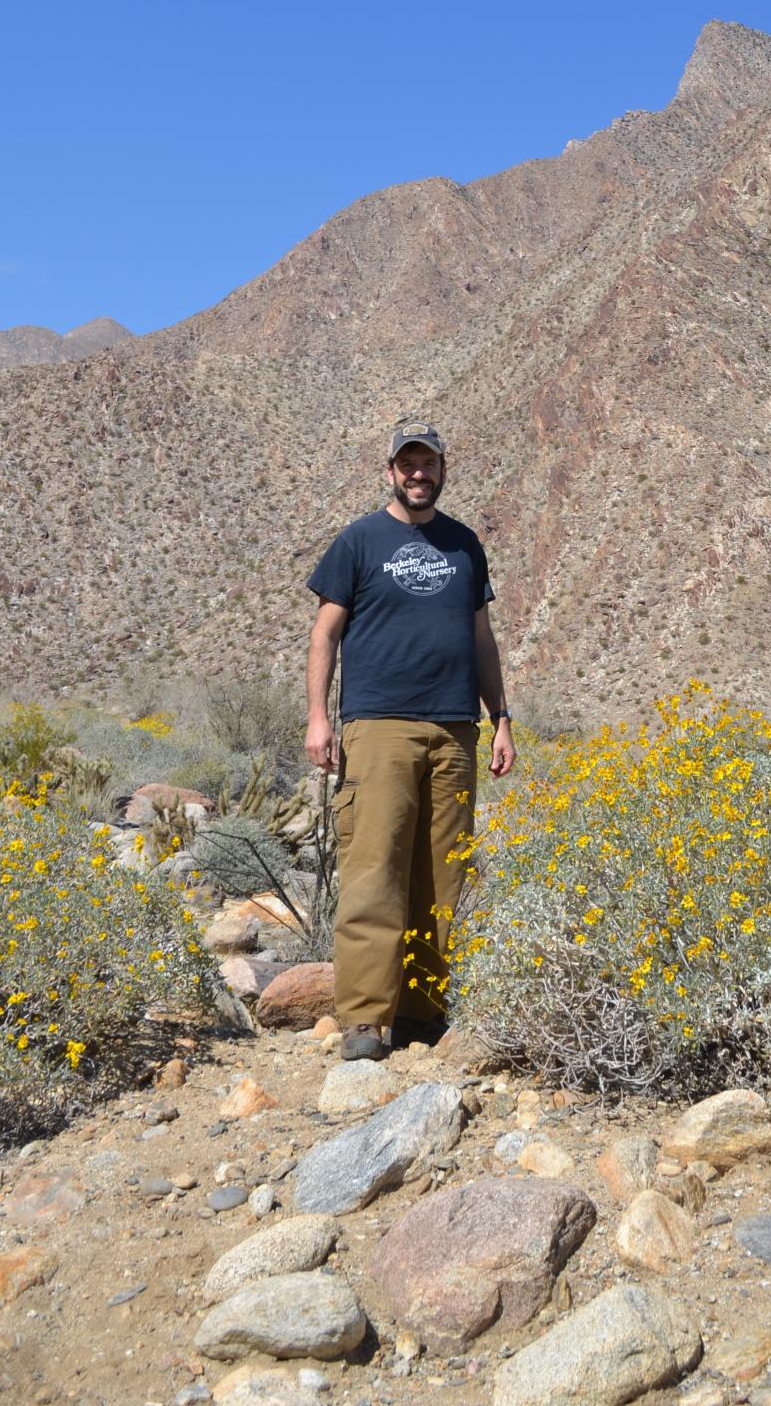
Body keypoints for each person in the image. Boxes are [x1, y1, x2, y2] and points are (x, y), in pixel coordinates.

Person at [304, 419, 517, 1060]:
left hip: (456, 728)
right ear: (390, 470)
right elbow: (325, 634)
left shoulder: (464, 545)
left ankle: (425, 1008)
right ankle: (366, 1018)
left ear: (443, 470)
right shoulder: (359, 541)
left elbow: (482, 638)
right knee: (374, 869)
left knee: (442, 875)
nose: (418, 473)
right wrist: (319, 717)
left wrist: (500, 716)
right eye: (408, 464)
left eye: (429, 464)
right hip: (379, 725)